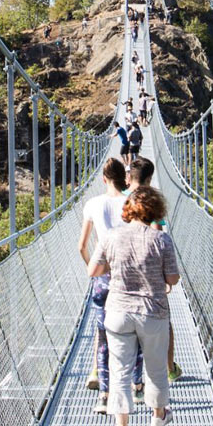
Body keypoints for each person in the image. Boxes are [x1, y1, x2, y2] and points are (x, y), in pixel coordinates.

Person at [88, 188, 181, 426]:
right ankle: (158, 418)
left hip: (117, 312)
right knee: (155, 369)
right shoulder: (161, 240)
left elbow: (93, 269)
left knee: (120, 372)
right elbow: (172, 278)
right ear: (155, 210)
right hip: (152, 313)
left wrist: (116, 266)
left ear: (129, 209)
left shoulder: (111, 236)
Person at [77, 159, 138, 409]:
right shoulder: (133, 202)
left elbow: (81, 247)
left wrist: (96, 270)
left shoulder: (93, 204)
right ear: (124, 179)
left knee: (102, 334)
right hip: (130, 276)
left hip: (103, 276)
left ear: (103, 179)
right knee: (132, 332)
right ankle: (136, 386)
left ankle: (103, 391)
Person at [127, 157, 180, 383]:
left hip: (121, 274)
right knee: (163, 324)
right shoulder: (150, 200)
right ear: (148, 179)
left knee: (119, 327)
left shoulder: (116, 198)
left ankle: (115, 376)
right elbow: (157, 229)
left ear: (129, 176)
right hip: (149, 278)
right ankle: (168, 369)